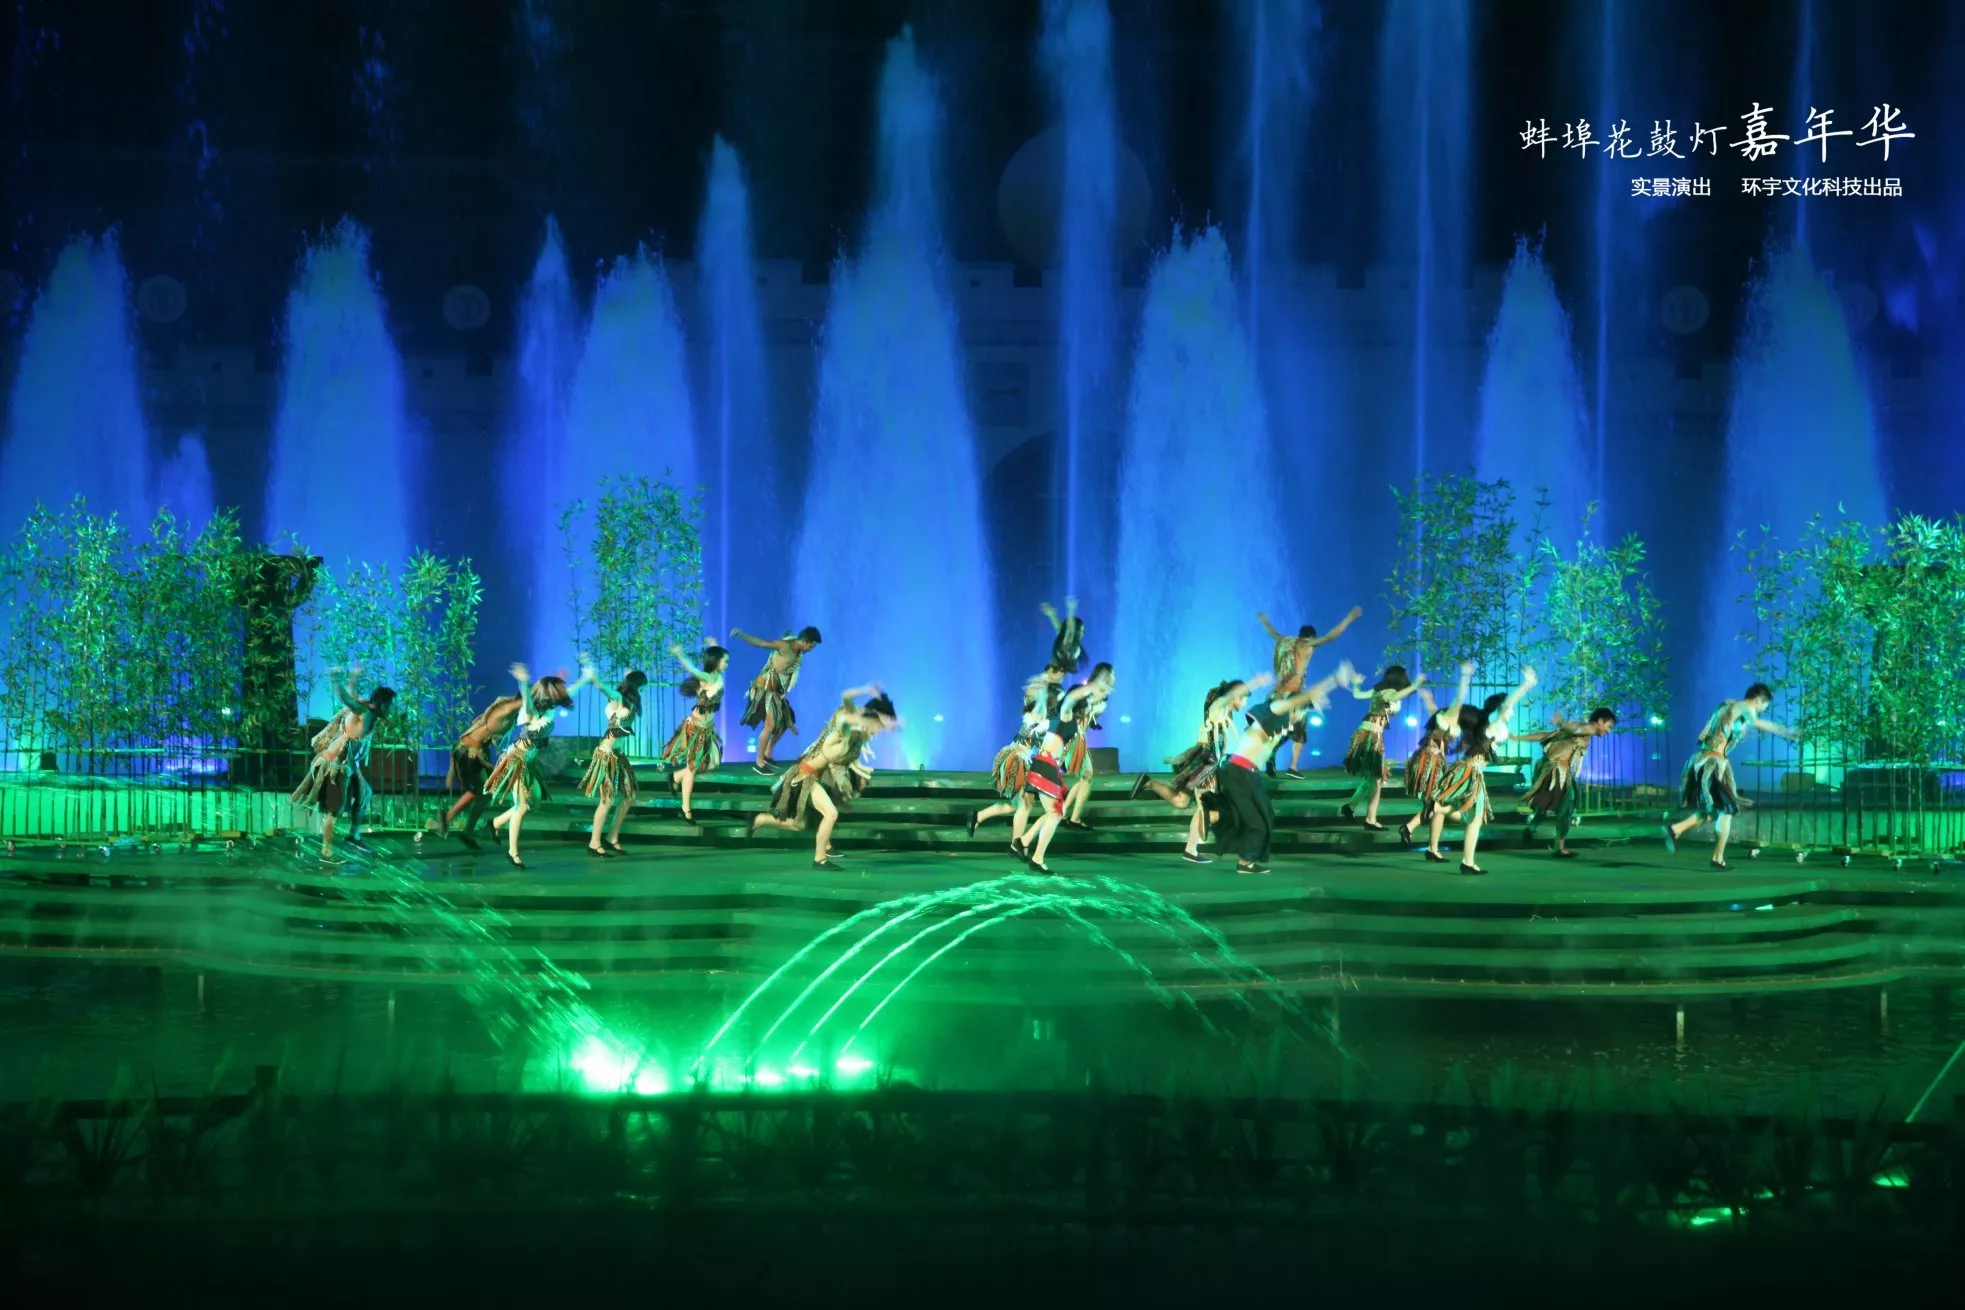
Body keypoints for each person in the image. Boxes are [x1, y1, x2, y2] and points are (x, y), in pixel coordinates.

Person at [1211, 662, 1358, 874]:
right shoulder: (1277, 708)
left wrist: (1316, 701)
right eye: (1301, 713)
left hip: (1247, 773)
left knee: (1264, 817)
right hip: (1239, 771)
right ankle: (1243, 860)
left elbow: (1306, 702)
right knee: (1257, 821)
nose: (1300, 719)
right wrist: (1334, 680)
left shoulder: (1282, 721)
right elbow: (1304, 696)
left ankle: (1237, 847)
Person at [749, 686, 900, 868]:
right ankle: (820, 859)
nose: (878, 731)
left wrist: (890, 725)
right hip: (804, 775)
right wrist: (866, 694)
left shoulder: (857, 740)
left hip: (812, 777)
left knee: (799, 825)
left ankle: (760, 819)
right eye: (878, 725)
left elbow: (852, 753)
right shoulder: (844, 731)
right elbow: (845, 718)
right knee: (831, 813)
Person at [1132, 673, 1271, 864]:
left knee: (1181, 801)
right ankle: (1191, 850)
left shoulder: (1226, 713)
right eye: (1244, 698)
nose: (1244, 703)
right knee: (1205, 807)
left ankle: (1149, 783)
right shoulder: (1217, 707)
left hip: (1208, 763)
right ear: (1236, 697)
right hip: (1205, 766)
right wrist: (1254, 683)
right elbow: (1226, 699)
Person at [1663, 683, 1796, 871]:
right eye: (1765, 706)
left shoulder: (1731, 707)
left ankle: (1676, 830)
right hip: (1711, 764)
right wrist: (1785, 731)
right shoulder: (1743, 706)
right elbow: (1756, 722)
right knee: (1726, 810)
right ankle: (1716, 858)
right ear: (1759, 700)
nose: (1763, 710)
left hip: (1709, 761)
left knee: (1716, 811)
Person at [1421, 667, 1538, 875]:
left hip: (1467, 769)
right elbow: (1508, 704)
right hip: (1471, 771)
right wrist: (1526, 685)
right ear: (1500, 710)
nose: (1512, 711)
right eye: (1509, 709)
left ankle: (1439, 811)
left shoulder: (1486, 727)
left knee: (1472, 817)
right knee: (1475, 818)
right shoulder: (1493, 725)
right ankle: (1467, 861)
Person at [487, 659, 600, 868]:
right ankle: (513, 852)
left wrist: (586, 678)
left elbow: (570, 692)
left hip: (530, 761)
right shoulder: (531, 712)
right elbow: (528, 700)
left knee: (533, 803)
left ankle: (495, 823)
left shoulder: (550, 709)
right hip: (518, 760)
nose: (562, 695)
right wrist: (523, 682)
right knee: (521, 807)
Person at [290, 667, 396, 862]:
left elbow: (352, 694)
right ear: (382, 704)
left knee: (365, 793)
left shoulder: (367, 710)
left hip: (350, 766)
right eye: (389, 706)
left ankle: (354, 836)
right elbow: (346, 698)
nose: (390, 710)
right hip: (335, 767)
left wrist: (353, 677)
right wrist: (335, 679)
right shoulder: (363, 711)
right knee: (335, 811)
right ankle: (326, 851)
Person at [1011, 680, 1109, 873]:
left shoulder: (1071, 718)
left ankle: (1023, 842)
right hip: (1045, 765)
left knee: (1054, 812)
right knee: (1056, 814)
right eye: (1087, 703)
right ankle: (1036, 858)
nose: (1090, 707)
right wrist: (1089, 688)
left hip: (1048, 765)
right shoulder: (1065, 713)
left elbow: (1092, 712)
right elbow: (1071, 697)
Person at [1257, 606, 1363, 776]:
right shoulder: (1307, 644)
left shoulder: (1285, 641)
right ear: (1310, 637)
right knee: (1300, 732)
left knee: (1288, 726)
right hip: (1294, 694)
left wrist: (1265, 622)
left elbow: (1273, 633)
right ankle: (1292, 767)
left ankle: (1272, 751)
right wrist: (1349, 618)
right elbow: (1330, 637)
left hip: (1278, 693)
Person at [970, 666, 1066, 848]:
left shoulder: (1049, 717)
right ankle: (1017, 846)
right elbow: (1033, 691)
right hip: (1019, 759)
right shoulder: (1037, 711)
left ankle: (978, 816)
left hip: (1026, 759)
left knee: (1016, 805)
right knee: (1024, 806)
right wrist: (1047, 677)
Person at [1516, 708, 1618, 857]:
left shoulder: (1581, 731)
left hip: (1552, 770)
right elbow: (1575, 728)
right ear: (1600, 721)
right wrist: (1562, 723)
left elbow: (1545, 735)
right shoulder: (1587, 728)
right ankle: (1559, 848)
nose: (1608, 731)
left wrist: (1517, 738)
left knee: (1549, 805)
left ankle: (1531, 828)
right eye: (1609, 726)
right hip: (1558, 772)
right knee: (1567, 807)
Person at [1337, 665, 1428, 830]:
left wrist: (1356, 683)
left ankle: (1350, 807)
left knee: (1373, 778)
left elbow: (1357, 694)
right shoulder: (1388, 692)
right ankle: (1370, 820)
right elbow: (1396, 695)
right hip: (1370, 735)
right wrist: (1416, 684)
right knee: (1377, 778)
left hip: (1370, 733)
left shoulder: (1378, 691)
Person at [439, 690, 527, 848]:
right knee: (480, 791)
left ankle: (466, 830)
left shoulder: (512, 716)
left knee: (483, 793)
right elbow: (473, 734)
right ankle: (449, 818)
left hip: (475, 751)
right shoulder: (504, 709)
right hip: (469, 751)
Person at [1398, 663, 1474, 845]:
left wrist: (1426, 697)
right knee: (1437, 803)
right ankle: (1410, 827)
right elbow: (1460, 696)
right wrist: (1465, 676)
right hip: (1430, 761)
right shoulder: (1450, 716)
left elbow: (1431, 707)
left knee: (1436, 803)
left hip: (1432, 760)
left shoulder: (1442, 718)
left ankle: (1430, 846)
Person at [656, 643, 729, 824]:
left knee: (712, 763)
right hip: (695, 728)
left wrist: (713, 645)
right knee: (692, 768)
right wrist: (679, 654)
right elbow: (692, 669)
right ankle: (685, 809)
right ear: (717, 661)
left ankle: (675, 777)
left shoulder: (718, 676)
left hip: (708, 728)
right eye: (725, 661)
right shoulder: (706, 678)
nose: (727, 664)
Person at [734, 625, 822, 773]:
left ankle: (767, 753)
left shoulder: (798, 652)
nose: (810, 650)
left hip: (776, 692)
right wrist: (741, 634)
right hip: (764, 689)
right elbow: (761, 643)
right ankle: (759, 763)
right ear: (804, 641)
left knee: (787, 721)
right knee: (770, 726)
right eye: (811, 646)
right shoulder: (784, 646)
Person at [581, 669, 649, 858]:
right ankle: (594, 843)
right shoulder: (618, 698)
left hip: (618, 754)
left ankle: (612, 836)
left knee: (629, 796)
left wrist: (627, 672)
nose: (643, 692)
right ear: (637, 686)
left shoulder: (628, 702)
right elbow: (604, 688)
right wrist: (594, 677)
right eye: (642, 688)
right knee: (607, 800)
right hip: (606, 755)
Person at [1059, 663, 1116, 830]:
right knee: (1087, 777)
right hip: (1067, 738)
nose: (1111, 680)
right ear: (1099, 675)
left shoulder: (1103, 698)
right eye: (1107, 676)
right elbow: (1067, 705)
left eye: (1111, 677)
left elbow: (1091, 718)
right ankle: (1074, 818)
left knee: (1085, 778)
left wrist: (1095, 712)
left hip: (1078, 739)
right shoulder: (1080, 691)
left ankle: (1063, 813)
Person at [1040, 596, 1085, 674]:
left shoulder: (1072, 647)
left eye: (1082, 631)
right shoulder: (1069, 643)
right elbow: (1067, 632)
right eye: (1081, 630)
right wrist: (1052, 614)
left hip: (1056, 672)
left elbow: (1065, 631)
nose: (1082, 634)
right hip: (1054, 672)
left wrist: (1052, 615)